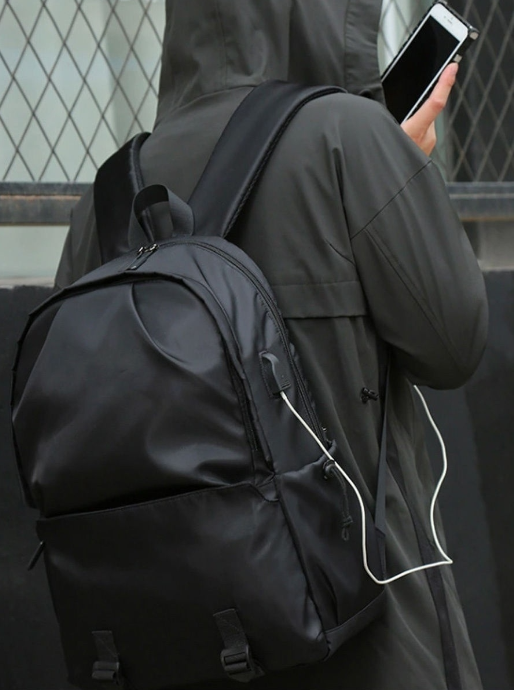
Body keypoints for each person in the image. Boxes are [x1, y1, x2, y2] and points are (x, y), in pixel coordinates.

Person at [55, 1, 488, 688]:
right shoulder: (351, 135)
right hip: (364, 637)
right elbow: (455, 343)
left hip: (175, 647)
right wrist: (407, 167)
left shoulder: (106, 197)